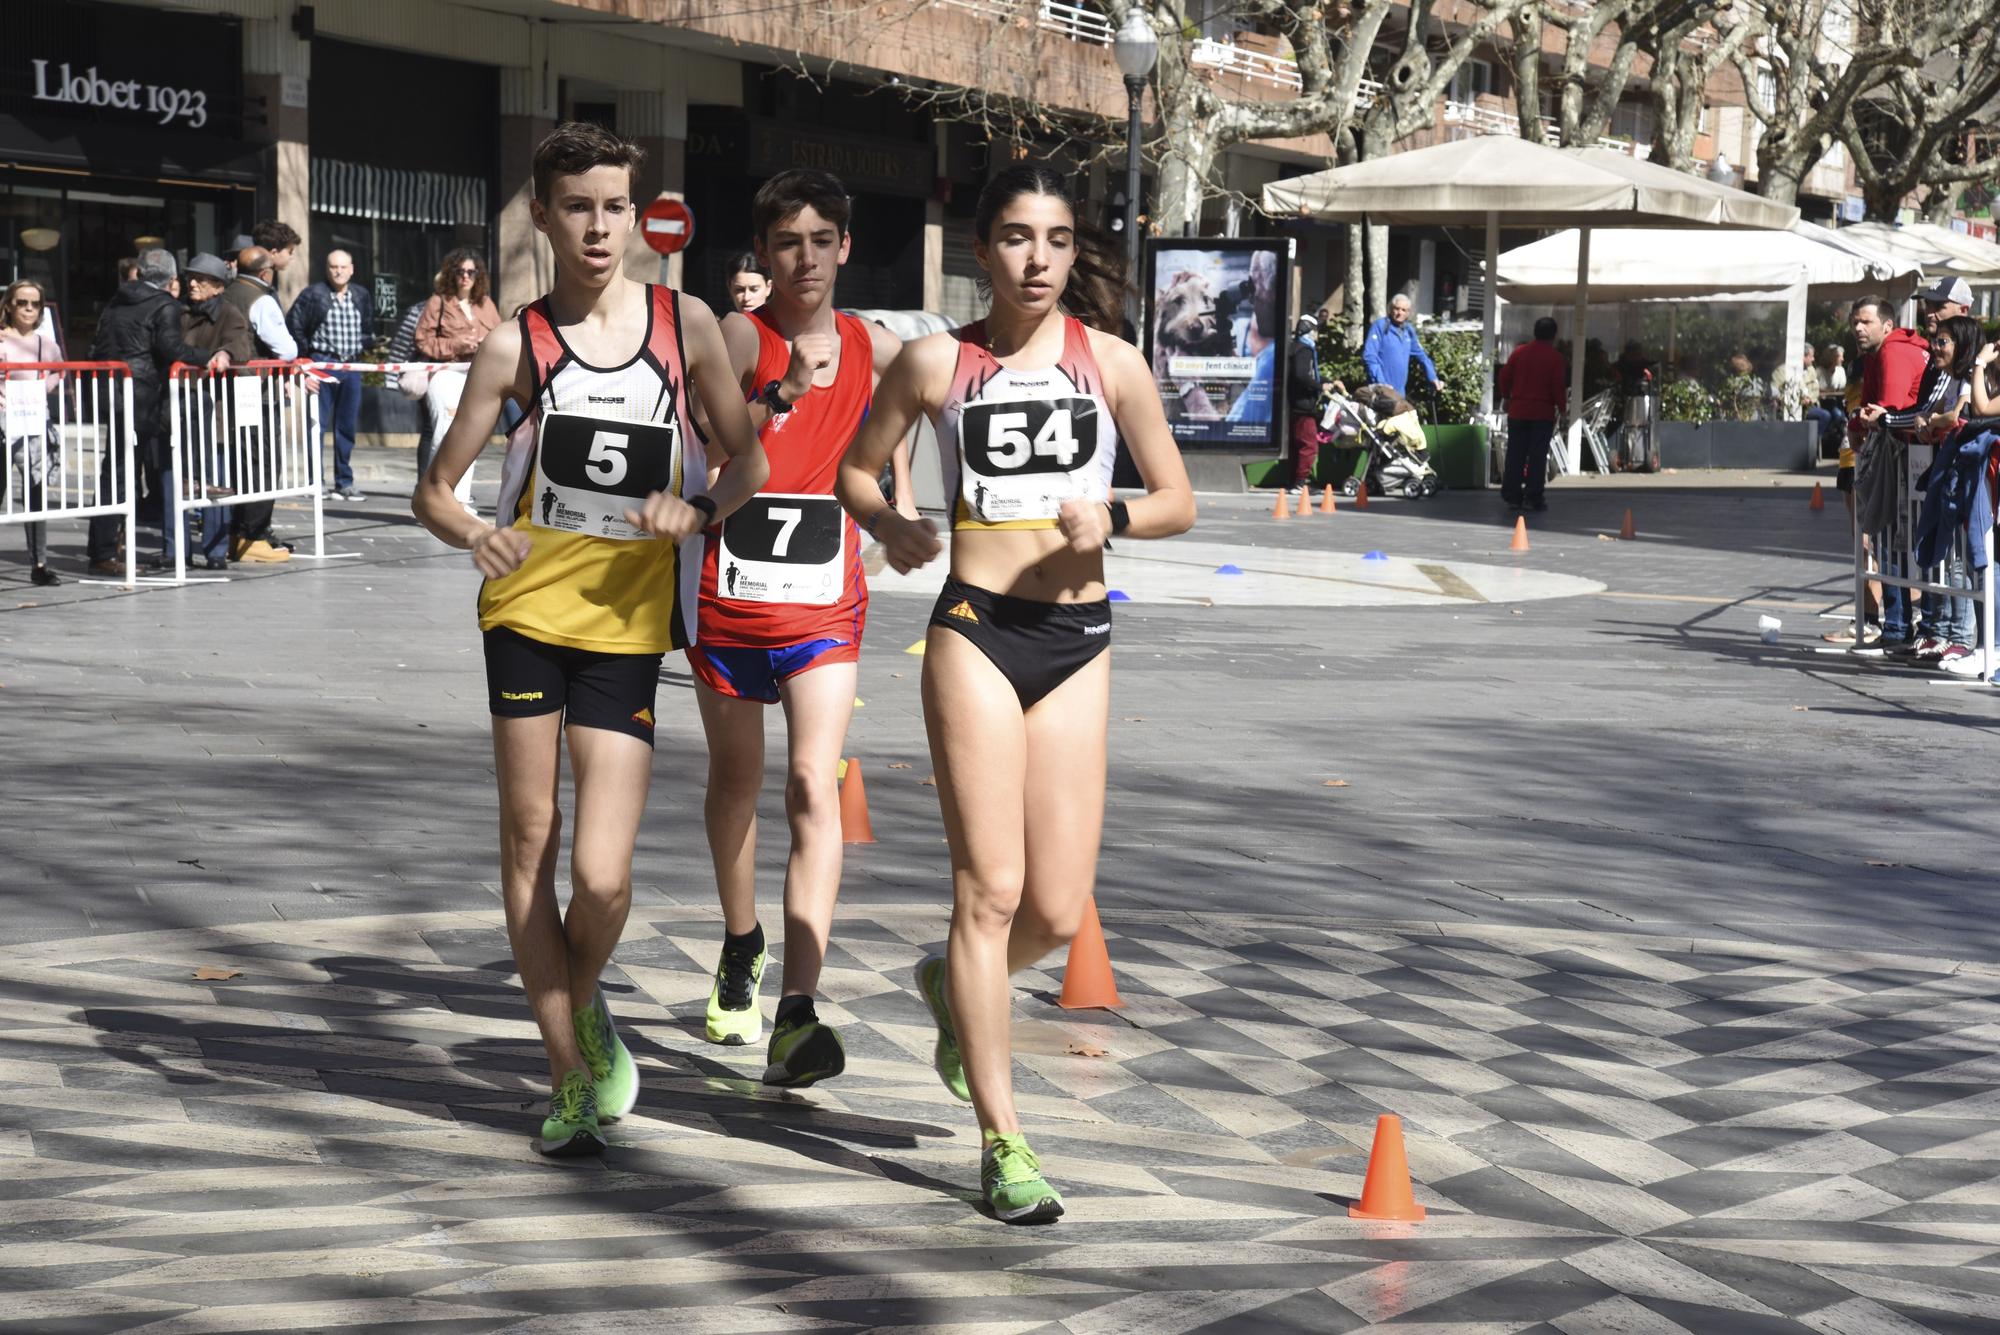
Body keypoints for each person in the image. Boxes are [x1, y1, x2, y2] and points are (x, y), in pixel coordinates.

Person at [835, 164, 1196, 1224]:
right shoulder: (933, 362)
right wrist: (892, 523)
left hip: (1077, 638)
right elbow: (860, 470)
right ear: (980, 248)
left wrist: (1115, 521)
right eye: (1014, 237)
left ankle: (953, 988)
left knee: (1051, 904)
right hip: (976, 632)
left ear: (1073, 251)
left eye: (1055, 239)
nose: (1036, 259)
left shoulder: (1114, 365)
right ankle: (1002, 1140)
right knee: (987, 891)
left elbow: (1175, 498)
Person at [412, 122, 769, 1158]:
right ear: (542, 215)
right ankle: (567, 1072)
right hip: (525, 613)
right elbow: (433, 491)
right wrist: (476, 530)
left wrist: (697, 518)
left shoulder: (685, 323)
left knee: (604, 878)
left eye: (615, 205)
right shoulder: (513, 343)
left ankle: (579, 995)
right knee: (533, 842)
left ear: (639, 214)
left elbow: (742, 459)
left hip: (624, 626)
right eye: (578, 207)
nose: (599, 225)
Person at [690, 169, 903, 1086]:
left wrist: (904, 510)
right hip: (731, 597)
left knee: (815, 785)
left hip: (826, 602)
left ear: (845, 248)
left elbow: (928, 410)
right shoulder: (741, 332)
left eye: (822, 239)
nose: (805, 257)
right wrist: (781, 387)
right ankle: (744, 939)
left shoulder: (879, 346)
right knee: (738, 782)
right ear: (764, 253)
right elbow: (711, 441)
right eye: (788, 242)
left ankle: (799, 1009)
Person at [85, 249, 229, 577]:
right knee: (123, 475)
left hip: (114, 392)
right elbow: (170, 348)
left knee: (114, 473)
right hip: (141, 395)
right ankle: (105, 553)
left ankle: (103, 548)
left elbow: (97, 345)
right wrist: (206, 356)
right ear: (171, 278)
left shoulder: (116, 301)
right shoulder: (164, 305)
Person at [1871, 314, 1976, 664]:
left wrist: (1926, 421)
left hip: (1964, 474)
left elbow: (1958, 416)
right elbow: (1930, 414)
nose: (1935, 347)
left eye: (1943, 341)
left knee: (1961, 560)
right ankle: (1942, 630)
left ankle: (1960, 635)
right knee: (1945, 558)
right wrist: (1927, 421)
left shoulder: (1970, 377)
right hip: (1941, 472)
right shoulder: (1943, 372)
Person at [1830, 297, 1929, 648]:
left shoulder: (1894, 352)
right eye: (1855, 321)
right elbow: (1871, 412)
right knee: (1890, 545)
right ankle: (1899, 626)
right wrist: (1860, 422)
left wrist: (1866, 421)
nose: (1858, 328)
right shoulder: (1876, 355)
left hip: (1905, 459)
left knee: (1895, 545)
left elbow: (1888, 412)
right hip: (1897, 457)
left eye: (1866, 322)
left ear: (1886, 325)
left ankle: (1903, 627)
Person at [172, 254, 255, 572]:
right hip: (178, 406)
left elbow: (240, 345)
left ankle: (215, 550)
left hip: (212, 413)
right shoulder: (177, 311)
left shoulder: (230, 313)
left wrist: (224, 352)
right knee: (177, 478)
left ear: (219, 286)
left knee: (214, 478)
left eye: (201, 279)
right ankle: (175, 548)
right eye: (190, 277)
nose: (192, 283)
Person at [218, 247, 299, 564]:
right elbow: (286, 347)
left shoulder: (227, 292)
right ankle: (254, 535)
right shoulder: (261, 299)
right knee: (263, 462)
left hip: (233, 387)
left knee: (242, 460)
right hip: (258, 388)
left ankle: (239, 532)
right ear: (266, 272)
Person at [415, 248, 502, 516]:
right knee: (444, 430)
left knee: (469, 436)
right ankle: (434, 499)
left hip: (476, 374)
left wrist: (484, 344)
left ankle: (460, 501)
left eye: (471, 272)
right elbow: (422, 340)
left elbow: (499, 336)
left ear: (478, 275)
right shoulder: (439, 301)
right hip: (445, 372)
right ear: (452, 274)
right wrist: (456, 343)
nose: (465, 276)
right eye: (461, 271)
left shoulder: (485, 304)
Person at [289, 250, 374, 501]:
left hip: (351, 366)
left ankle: (344, 482)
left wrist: (368, 344)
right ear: (327, 269)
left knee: (346, 426)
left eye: (343, 267)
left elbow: (367, 328)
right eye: (333, 266)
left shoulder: (361, 295)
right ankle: (316, 482)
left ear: (352, 269)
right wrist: (304, 363)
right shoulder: (313, 294)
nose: (338, 271)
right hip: (321, 362)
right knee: (317, 424)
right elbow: (295, 326)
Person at [2, 279, 62, 586]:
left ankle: (39, 563)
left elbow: (60, 369)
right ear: (9, 305)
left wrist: (43, 387)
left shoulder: (45, 344)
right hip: (2, 421)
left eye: (34, 304)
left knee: (35, 492)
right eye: (22, 302)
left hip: (33, 419)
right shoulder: (0, 339)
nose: (28, 308)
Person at [1497, 317, 1567, 513]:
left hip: (1518, 410)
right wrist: (1562, 408)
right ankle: (1533, 496)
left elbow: (1504, 375)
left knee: (1515, 454)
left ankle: (1512, 494)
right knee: (1537, 457)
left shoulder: (1519, 352)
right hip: (1541, 413)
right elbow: (1557, 386)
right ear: (1554, 335)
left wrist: (1506, 396)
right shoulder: (1555, 358)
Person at [1361, 293, 1440, 399]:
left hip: (1399, 392)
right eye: (1397, 309)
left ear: (1408, 313)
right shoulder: (1380, 326)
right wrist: (1381, 382)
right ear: (1390, 309)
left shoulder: (1408, 330)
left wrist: (1432, 377)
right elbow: (1369, 356)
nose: (1400, 313)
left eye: (1404, 310)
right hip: (1381, 390)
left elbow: (1422, 355)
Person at [1286, 312, 1326, 493]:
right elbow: (1302, 375)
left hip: (1293, 404)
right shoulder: (1305, 350)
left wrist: (1325, 381)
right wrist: (1320, 387)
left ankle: (1294, 481)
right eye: (1316, 331)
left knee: (1297, 445)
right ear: (1309, 331)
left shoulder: (1293, 347)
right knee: (1309, 445)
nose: (1317, 335)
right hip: (1303, 405)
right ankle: (1300, 482)